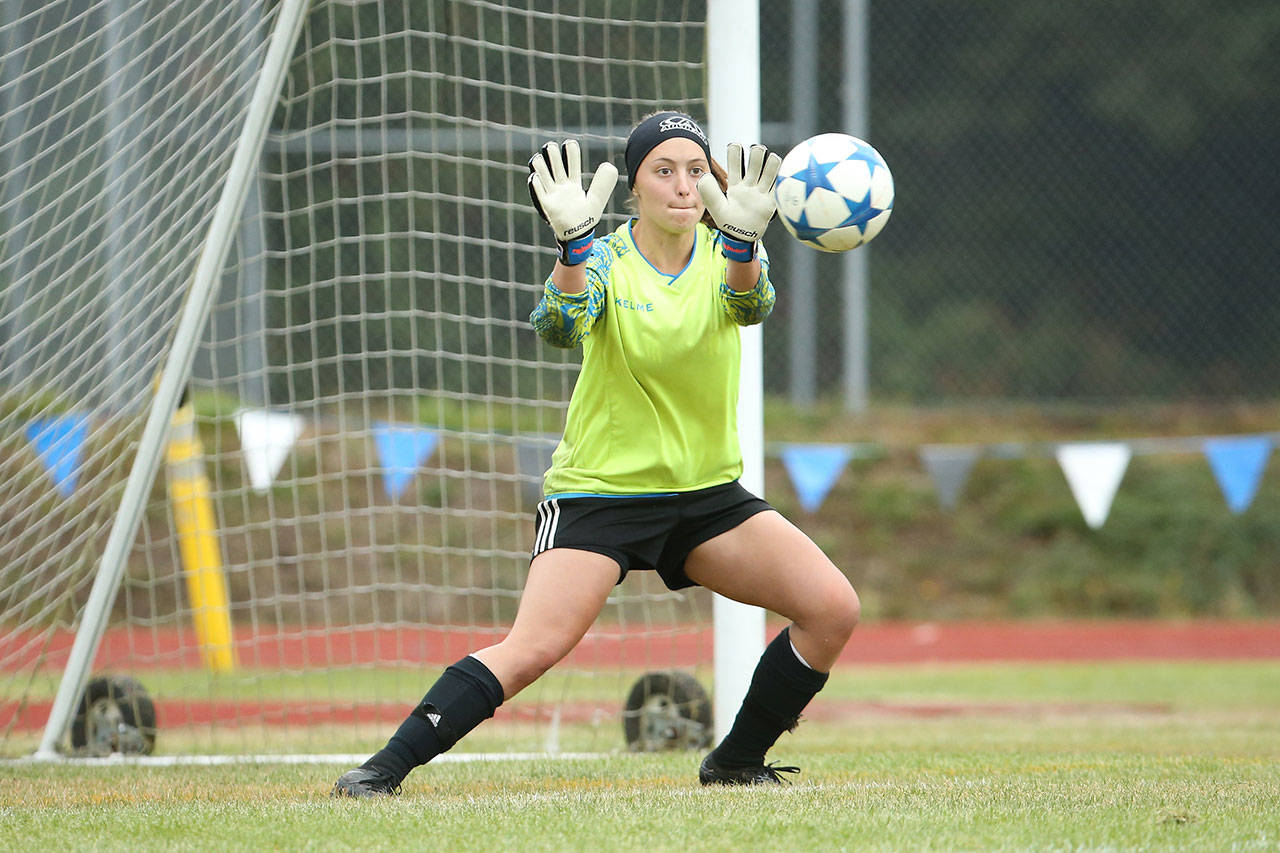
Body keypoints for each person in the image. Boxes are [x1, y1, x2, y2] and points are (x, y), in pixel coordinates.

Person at [333, 111, 860, 797]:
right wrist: (572, 247)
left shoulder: (730, 251)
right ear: (634, 189)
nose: (682, 185)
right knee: (533, 650)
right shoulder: (605, 257)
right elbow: (559, 323)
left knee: (832, 608)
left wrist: (742, 243)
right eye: (663, 171)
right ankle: (382, 770)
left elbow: (750, 303)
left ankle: (734, 761)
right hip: (600, 494)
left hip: (704, 497)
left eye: (695, 171)